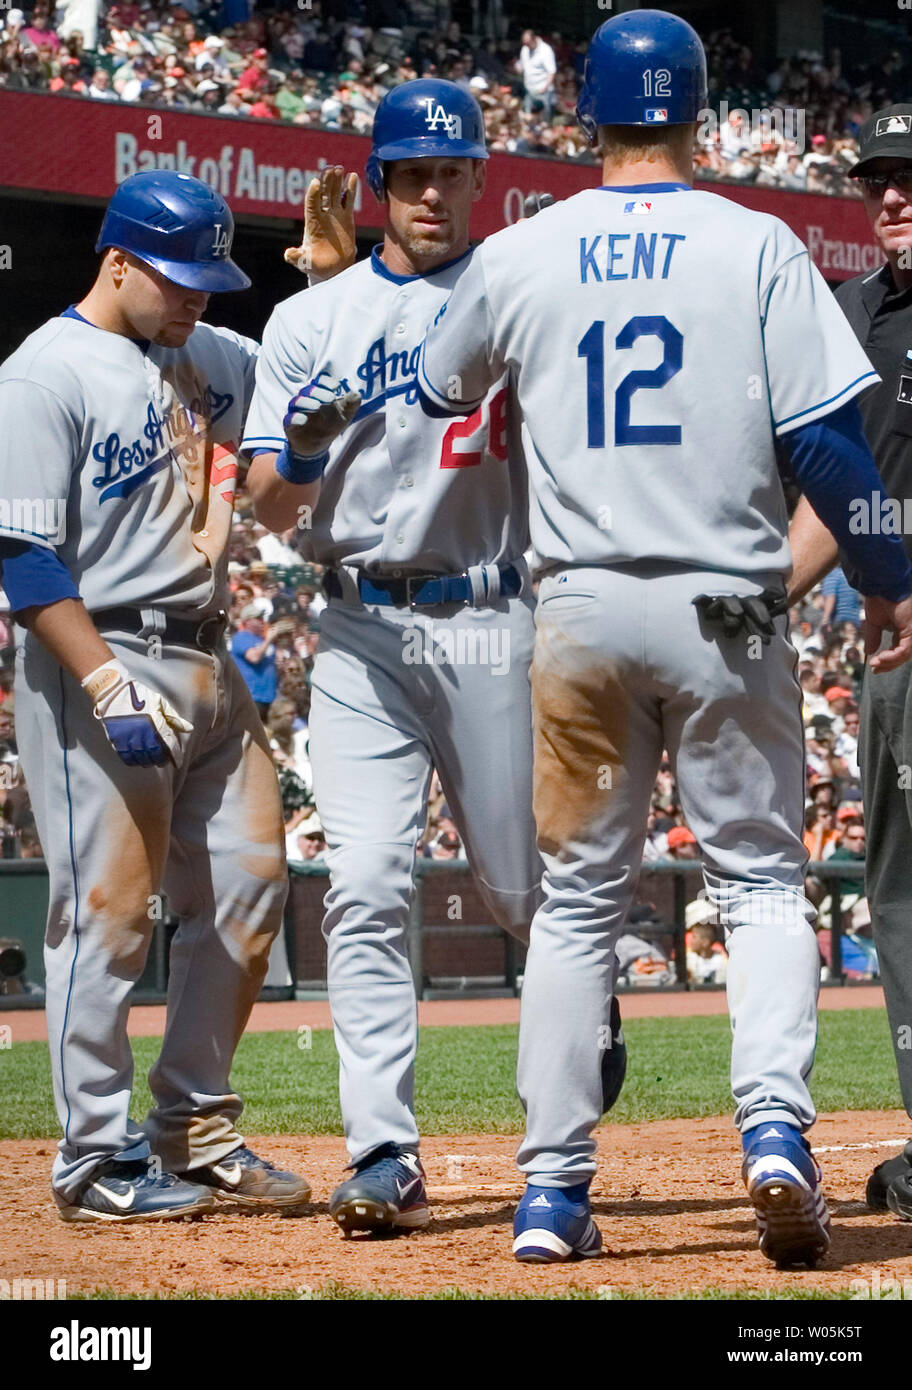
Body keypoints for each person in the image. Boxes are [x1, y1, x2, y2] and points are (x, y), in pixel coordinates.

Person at [418, 9, 912, 1267]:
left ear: (589, 112)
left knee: (580, 906)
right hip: (726, 606)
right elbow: (826, 448)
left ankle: (551, 1192)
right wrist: (889, 576)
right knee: (757, 880)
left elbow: (437, 384)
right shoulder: (757, 242)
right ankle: (776, 1134)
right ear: (697, 109)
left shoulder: (524, 250)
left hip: (580, 609)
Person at [242, 79, 626, 1238]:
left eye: (449, 172)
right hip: (357, 622)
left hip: (494, 616)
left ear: (477, 181)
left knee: (523, 893)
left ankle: (586, 1020)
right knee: (362, 882)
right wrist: (300, 443)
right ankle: (384, 1152)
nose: (430, 192)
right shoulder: (309, 319)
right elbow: (264, 505)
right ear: (381, 185)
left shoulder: (521, 295)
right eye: (409, 173)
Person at [0, 168, 359, 1222]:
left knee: (250, 888)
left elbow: (305, 383)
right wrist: (103, 679)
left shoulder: (206, 353)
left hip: (211, 660)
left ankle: (193, 1125)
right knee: (107, 914)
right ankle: (92, 1158)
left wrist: (334, 287)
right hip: (99, 653)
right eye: (180, 278)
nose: (201, 296)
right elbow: (21, 556)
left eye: (212, 278)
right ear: (117, 261)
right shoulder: (42, 374)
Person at [787, 102, 912, 1223]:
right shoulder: (853, 313)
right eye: (876, 180)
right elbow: (842, 488)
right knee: (900, 888)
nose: (890, 197)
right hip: (887, 644)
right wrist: (759, 602)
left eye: (909, 178)